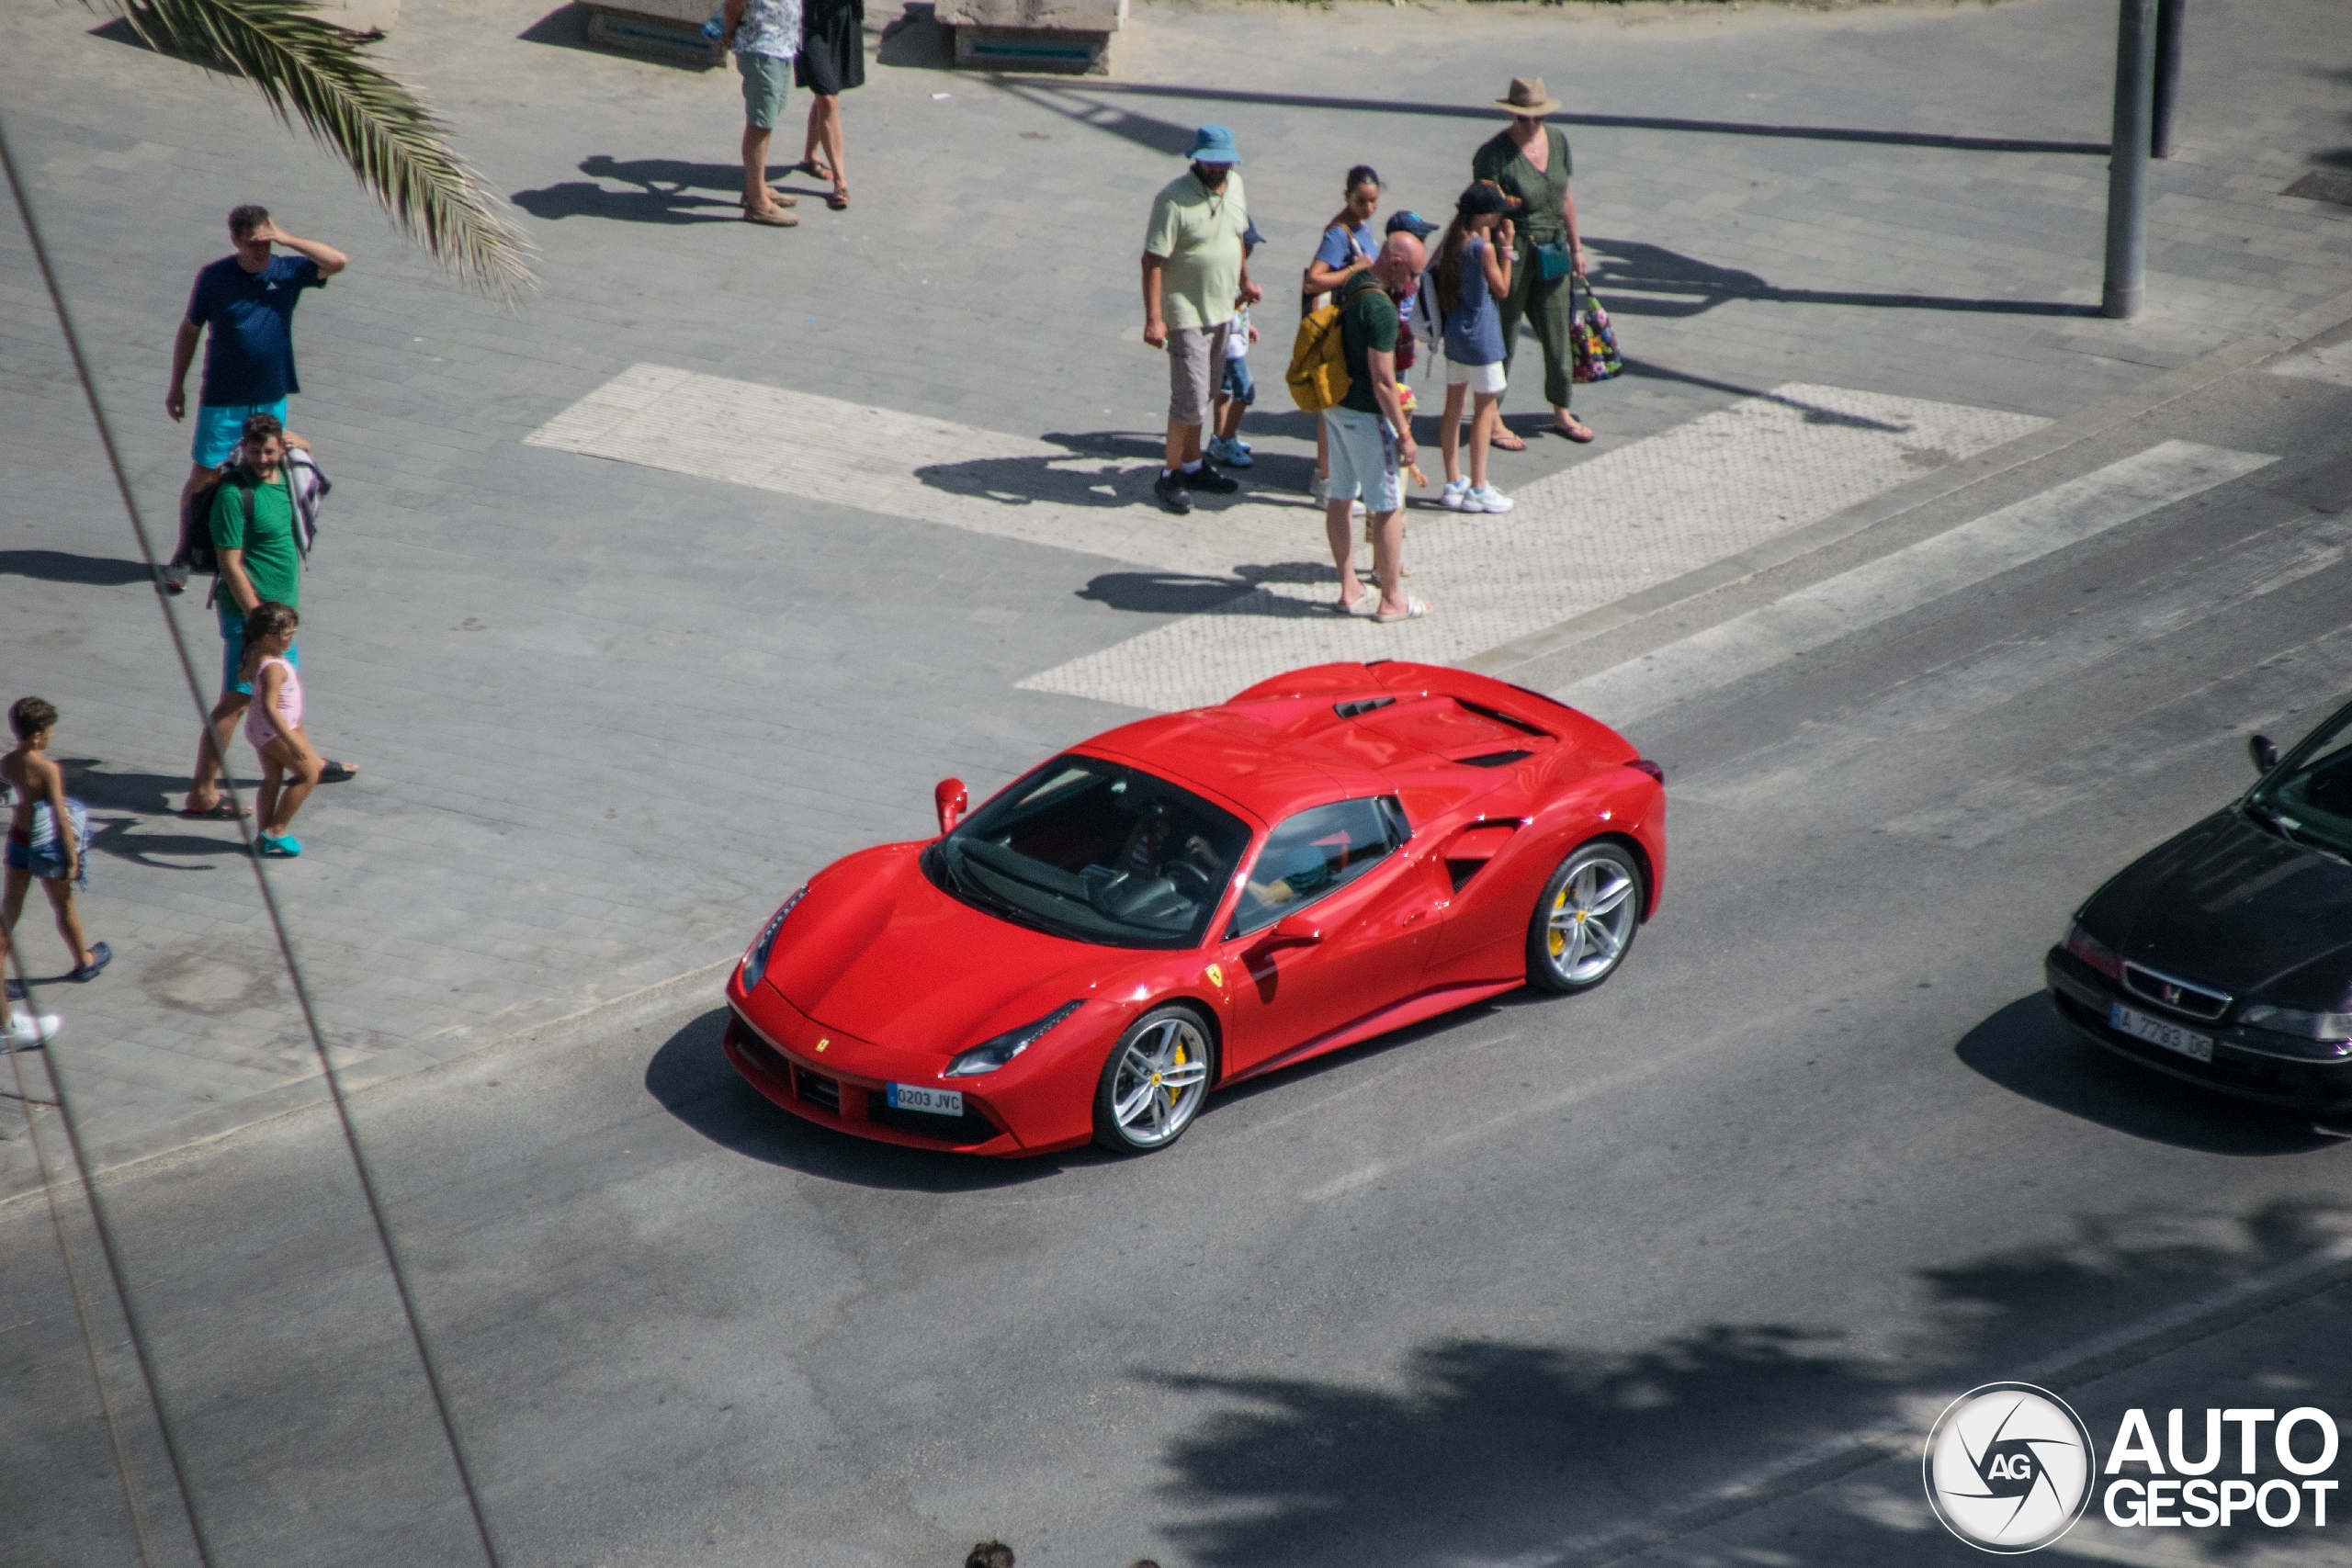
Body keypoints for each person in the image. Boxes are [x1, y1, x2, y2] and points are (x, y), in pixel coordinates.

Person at [184, 412, 355, 818]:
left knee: (285, 690)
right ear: (242, 449)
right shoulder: (233, 494)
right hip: (252, 619)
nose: (262, 459)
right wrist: (258, 621)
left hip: (278, 618)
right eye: (255, 451)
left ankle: (306, 759)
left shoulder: (284, 478)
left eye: (270, 451)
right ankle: (202, 793)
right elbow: (229, 563)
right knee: (237, 700)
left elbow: (304, 448)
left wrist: (290, 438)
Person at [166, 205, 345, 571]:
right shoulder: (214, 277)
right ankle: (187, 550)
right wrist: (176, 387)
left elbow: (338, 261)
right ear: (235, 240)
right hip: (223, 397)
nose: (261, 251)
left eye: (265, 242)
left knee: (264, 469)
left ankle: (247, 551)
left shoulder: (288, 270)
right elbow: (190, 329)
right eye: (252, 244)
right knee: (206, 475)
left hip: (269, 395)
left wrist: (286, 238)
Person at [1141, 125, 1261, 516]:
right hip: (1185, 311)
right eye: (1211, 161)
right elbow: (1152, 261)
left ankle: (1192, 465)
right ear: (1196, 159)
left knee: (1207, 392)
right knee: (1189, 399)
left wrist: (1244, 281)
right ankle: (1169, 475)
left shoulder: (1237, 186)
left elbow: (1237, 239)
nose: (1219, 168)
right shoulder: (1172, 201)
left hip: (1223, 308)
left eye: (1225, 161)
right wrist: (1154, 318)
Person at [1472, 76, 1594, 445]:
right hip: (1515, 250)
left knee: (1558, 332)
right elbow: (1482, 213)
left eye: (1538, 118)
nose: (1532, 125)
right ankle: (1492, 418)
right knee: (1505, 334)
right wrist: (1490, 259)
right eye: (1525, 118)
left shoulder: (1557, 141)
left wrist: (1577, 248)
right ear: (1512, 115)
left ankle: (1561, 410)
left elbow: (1566, 196)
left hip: (1553, 248)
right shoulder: (1493, 155)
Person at [1323, 234, 1428, 623]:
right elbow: (1383, 381)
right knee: (1387, 506)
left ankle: (1350, 588)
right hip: (1366, 415)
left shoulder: (1355, 281)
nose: (1413, 284)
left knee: (1340, 496)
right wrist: (1404, 434)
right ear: (1397, 262)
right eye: (1413, 273)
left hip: (1335, 406)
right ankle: (1392, 599)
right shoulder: (1381, 308)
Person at [3, 698, 107, 1048]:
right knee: (63, 906)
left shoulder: (6, 763)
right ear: (36, 736)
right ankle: (84, 961)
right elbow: (61, 817)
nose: (51, 737)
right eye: (49, 732)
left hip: (18, 840)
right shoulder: (48, 770)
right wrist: (73, 856)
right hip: (47, 844)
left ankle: (1, 972)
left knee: (10, 909)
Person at [1432, 184, 1516, 513]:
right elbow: (1503, 289)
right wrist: (1507, 249)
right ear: (1482, 215)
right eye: (1496, 212)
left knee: (1453, 406)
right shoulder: (1483, 248)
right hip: (1482, 340)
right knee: (1484, 411)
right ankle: (1479, 488)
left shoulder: (1452, 241)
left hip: (1455, 337)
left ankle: (1454, 481)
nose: (1500, 217)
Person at [1303, 166, 1381, 502]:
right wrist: (1354, 270)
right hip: (1340, 329)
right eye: (1361, 201)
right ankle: (1326, 479)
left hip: (1356, 325)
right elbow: (1314, 280)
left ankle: (1338, 476)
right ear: (1346, 195)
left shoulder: (1364, 226)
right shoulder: (1338, 234)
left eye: (1374, 201)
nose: (1368, 208)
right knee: (1330, 399)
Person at [237, 603, 321, 858]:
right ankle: (276, 830)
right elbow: (270, 708)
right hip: (274, 731)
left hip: (259, 729)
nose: (291, 639)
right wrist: (293, 741)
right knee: (308, 776)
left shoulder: (256, 652)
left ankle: (263, 837)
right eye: (286, 634)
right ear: (267, 636)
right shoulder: (273, 667)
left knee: (273, 778)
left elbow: (242, 676)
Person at [724, 0, 803, 227]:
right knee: (760, 123)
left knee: (768, 119)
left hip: (782, 45)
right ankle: (758, 204)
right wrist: (730, 32)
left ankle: (756, 187)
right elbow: (734, 3)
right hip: (762, 47)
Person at [793, 0, 861, 210]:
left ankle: (810, 156)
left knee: (824, 94)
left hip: (842, 15)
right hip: (807, 21)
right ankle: (840, 181)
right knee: (829, 98)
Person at [1206, 295, 1259, 468]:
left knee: (1224, 389)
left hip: (1232, 339)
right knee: (1245, 391)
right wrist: (1245, 295)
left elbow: (1236, 310)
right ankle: (1227, 440)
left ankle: (1219, 437)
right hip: (1230, 346)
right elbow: (1220, 306)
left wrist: (1246, 326)